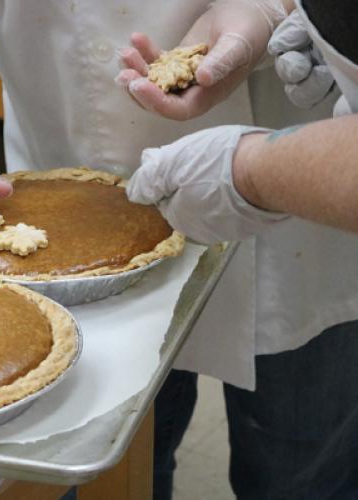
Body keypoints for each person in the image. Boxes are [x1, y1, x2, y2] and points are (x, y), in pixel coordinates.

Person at [0, 0, 342, 498]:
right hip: (69, 140)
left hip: (311, 161)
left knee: (305, 466)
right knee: (120, 460)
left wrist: (272, 8)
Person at [125, 1, 358, 498]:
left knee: (302, 467)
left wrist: (249, 171)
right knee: (129, 464)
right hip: (90, 127)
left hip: (312, 214)